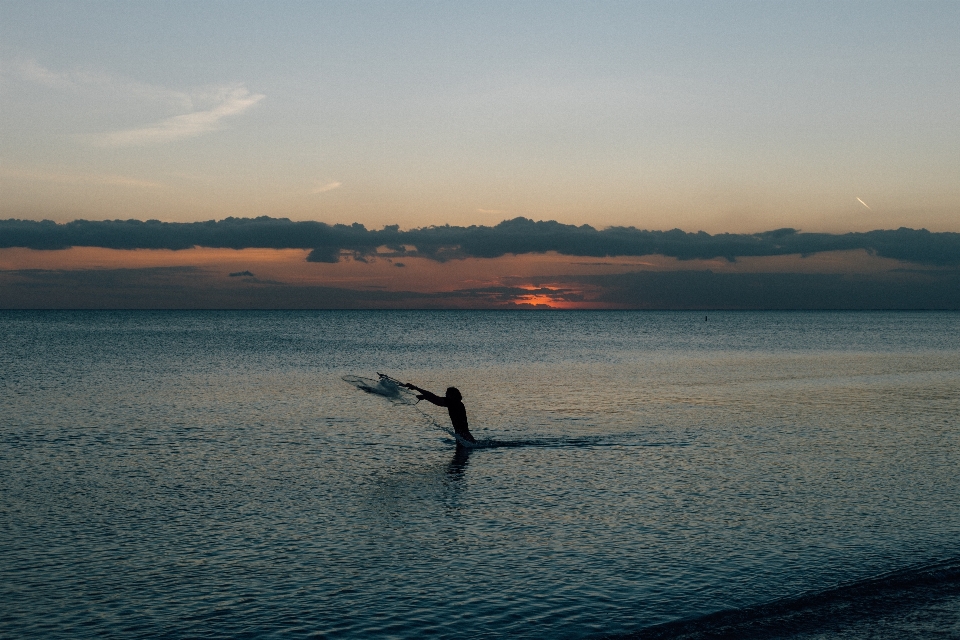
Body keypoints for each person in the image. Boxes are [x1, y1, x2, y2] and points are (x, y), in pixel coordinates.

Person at [403, 382, 476, 444]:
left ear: (452, 395)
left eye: (447, 394)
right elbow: (434, 398)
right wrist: (420, 392)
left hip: (463, 436)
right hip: (462, 436)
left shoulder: (454, 403)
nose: (445, 395)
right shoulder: (455, 402)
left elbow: (436, 400)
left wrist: (419, 391)